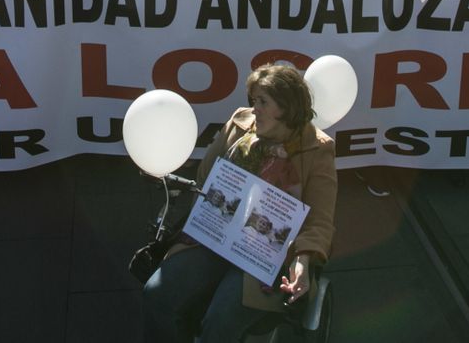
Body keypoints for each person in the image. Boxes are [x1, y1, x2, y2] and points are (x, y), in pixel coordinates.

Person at [142, 63, 335, 343]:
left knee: (221, 323)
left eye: (262, 102)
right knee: (156, 294)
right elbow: (206, 177)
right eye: (253, 101)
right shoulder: (239, 124)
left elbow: (320, 221)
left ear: (286, 107)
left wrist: (303, 259)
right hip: (216, 238)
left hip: (266, 256)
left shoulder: (318, 150)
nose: (254, 108)